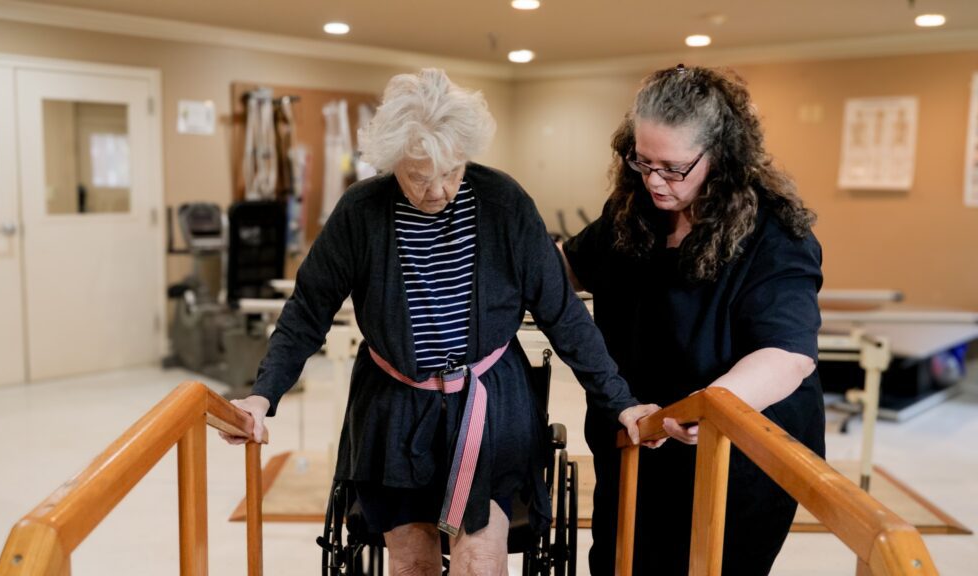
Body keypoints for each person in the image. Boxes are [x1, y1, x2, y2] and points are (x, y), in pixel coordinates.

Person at [221, 68, 658, 575]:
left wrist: (619, 402)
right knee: (411, 560)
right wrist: (262, 394)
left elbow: (562, 314)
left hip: (487, 408)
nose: (438, 191)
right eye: (419, 176)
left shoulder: (503, 204)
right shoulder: (360, 213)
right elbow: (306, 312)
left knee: (479, 557)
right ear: (390, 163)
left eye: (451, 171)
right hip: (395, 409)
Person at [561, 64, 825, 575]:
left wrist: (709, 406)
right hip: (639, 436)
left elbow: (787, 355)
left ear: (721, 156)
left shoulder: (775, 235)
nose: (655, 180)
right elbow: (569, 269)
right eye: (643, 161)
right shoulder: (632, 209)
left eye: (674, 167)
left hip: (730, 455)